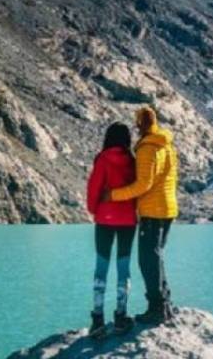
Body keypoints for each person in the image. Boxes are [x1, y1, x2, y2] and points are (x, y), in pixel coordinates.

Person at [105, 106, 178, 325]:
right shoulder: (166, 144)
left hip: (153, 212)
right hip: (167, 209)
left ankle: (156, 308)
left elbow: (143, 185)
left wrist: (114, 195)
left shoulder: (148, 148)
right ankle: (165, 305)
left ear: (140, 124)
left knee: (147, 260)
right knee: (156, 257)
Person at [85, 122, 138, 339]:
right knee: (123, 267)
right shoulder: (133, 161)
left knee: (101, 267)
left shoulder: (103, 159)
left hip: (105, 219)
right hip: (127, 220)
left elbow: (93, 187)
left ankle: (98, 320)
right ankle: (120, 316)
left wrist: (94, 209)